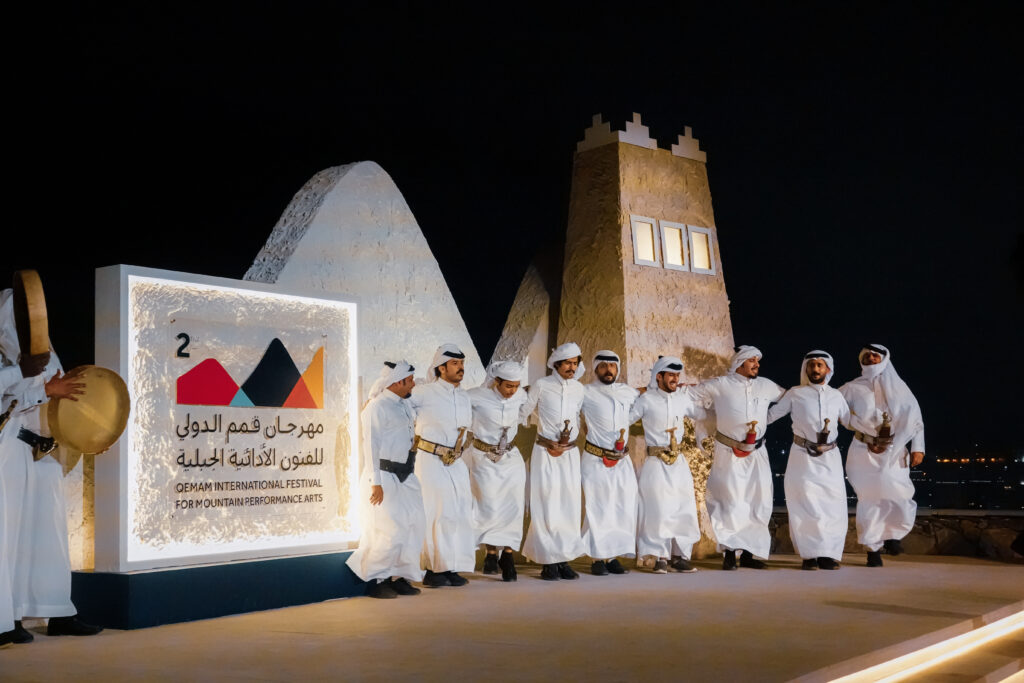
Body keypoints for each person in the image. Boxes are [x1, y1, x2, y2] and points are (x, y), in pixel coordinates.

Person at [0, 287, 101, 644]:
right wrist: (25, 377)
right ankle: (4, 619)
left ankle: (58, 611)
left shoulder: (47, 354)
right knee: (5, 537)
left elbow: (64, 398)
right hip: (9, 450)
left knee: (49, 538)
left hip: (44, 454)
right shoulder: (3, 354)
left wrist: (90, 433)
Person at [692, 346, 785, 570]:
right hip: (728, 451)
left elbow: (790, 398)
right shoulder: (720, 385)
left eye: (758, 361)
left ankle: (750, 554)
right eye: (752, 361)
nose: (757, 365)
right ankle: (729, 553)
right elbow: (691, 395)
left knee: (758, 500)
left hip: (757, 453)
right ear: (740, 362)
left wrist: (768, 418)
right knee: (728, 501)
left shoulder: (766, 386)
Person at [839, 344, 925, 567]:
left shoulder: (900, 387)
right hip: (863, 450)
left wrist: (918, 447)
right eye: (866, 355)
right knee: (869, 499)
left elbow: (915, 419)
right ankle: (872, 549)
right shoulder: (852, 387)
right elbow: (832, 406)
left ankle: (893, 534)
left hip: (894, 449)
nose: (870, 357)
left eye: (875, 355)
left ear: (884, 359)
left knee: (899, 494)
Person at [346, 361, 425, 598]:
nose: (413, 384)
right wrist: (375, 482)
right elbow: (370, 446)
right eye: (410, 380)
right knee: (387, 529)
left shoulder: (404, 405)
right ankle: (377, 579)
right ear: (399, 381)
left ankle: (399, 576)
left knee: (413, 525)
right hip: (384, 476)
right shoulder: (376, 407)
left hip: (406, 476)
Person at [767, 351, 851, 570]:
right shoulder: (795, 394)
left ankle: (828, 554)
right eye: (812, 365)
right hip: (802, 456)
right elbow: (771, 416)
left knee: (832, 505)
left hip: (830, 458)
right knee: (805, 504)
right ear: (806, 369)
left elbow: (851, 421)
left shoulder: (836, 396)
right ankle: (809, 555)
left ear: (828, 370)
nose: (815, 369)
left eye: (820, 365)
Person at [629, 356, 704, 574]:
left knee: (683, 506)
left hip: (679, 462)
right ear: (658, 376)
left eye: (677, 375)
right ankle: (659, 556)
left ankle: (680, 556)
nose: (674, 379)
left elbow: (701, 414)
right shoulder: (646, 400)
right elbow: (625, 419)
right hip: (656, 460)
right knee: (657, 508)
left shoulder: (682, 399)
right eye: (670, 375)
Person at [409, 343, 475, 587]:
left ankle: (451, 567)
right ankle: (433, 569)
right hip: (430, 460)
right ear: (441, 367)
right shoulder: (424, 392)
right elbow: (401, 407)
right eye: (455, 364)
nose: (460, 368)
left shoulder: (465, 396)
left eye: (462, 364)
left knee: (458, 511)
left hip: (456, 461)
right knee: (437, 512)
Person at [521, 342, 586, 581]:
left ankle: (564, 559)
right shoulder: (541, 385)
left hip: (569, 454)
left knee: (568, 503)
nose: (572, 367)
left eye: (575, 363)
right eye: (567, 363)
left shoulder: (579, 389)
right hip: (545, 451)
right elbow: (524, 410)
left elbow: (578, 416)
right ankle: (548, 561)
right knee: (546, 502)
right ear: (556, 364)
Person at [465, 360, 529, 582]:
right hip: (484, 458)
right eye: (508, 386)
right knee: (489, 505)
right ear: (497, 382)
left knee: (513, 505)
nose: (513, 391)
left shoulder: (520, 395)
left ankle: (508, 555)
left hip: (510, 458)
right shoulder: (476, 396)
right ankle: (490, 552)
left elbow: (524, 413)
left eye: (516, 386)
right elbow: (455, 407)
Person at [580, 350, 639, 576]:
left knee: (621, 506)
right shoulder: (585, 392)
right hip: (595, 458)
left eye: (612, 366)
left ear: (618, 369)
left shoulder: (628, 392)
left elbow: (646, 398)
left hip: (622, 459)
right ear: (595, 369)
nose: (608, 370)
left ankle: (613, 556)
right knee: (598, 507)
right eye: (603, 366)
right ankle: (597, 558)